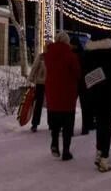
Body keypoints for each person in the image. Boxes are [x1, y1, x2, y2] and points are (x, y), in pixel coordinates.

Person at [82, 29, 111, 172]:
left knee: (100, 124)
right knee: (107, 125)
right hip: (109, 94)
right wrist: (107, 75)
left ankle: (99, 153)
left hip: (94, 95)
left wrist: (97, 77)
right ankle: (104, 158)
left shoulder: (88, 53)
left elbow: (85, 74)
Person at [44, 31, 81, 160]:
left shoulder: (48, 55)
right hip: (67, 94)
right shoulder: (71, 56)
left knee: (54, 121)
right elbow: (77, 73)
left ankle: (54, 143)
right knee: (67, 123)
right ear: (67, 41)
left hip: (52, 92)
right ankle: (66, 151)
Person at [71, 35, 95, 135]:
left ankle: (69, 128)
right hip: (84, 82)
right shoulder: (84, 54)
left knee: (71, 107)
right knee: (85, 106)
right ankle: (86, 127)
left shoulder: (71, 55)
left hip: (74, 83)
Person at [27, 49, 47, 132]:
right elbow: (34, 67)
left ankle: (51, 124)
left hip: (49, 83)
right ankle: (35, 124)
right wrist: (31, 78)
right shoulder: (41, 56)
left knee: (48, 104)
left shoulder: (51, 56)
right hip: (40, 83)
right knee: (39, 103)